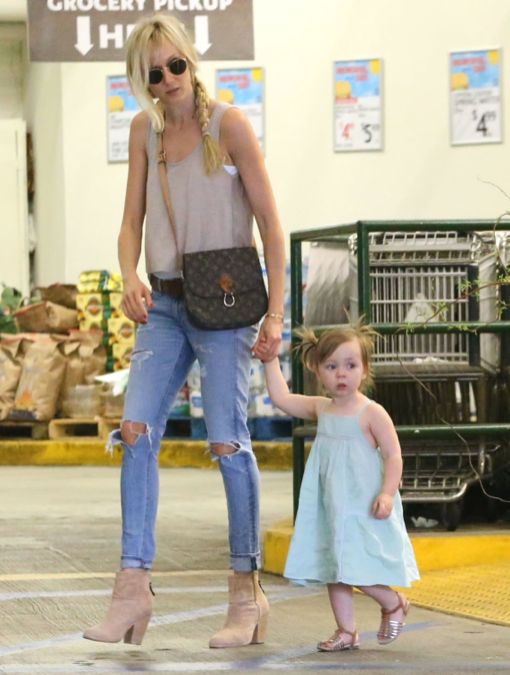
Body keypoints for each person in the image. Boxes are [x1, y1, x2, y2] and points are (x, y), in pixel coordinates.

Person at [83, 13, 285, 648]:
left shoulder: (229, 125)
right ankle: (131, 590)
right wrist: (127, 274)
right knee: (134, 430)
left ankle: (246, 593)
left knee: (227, 442)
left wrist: (276, 314)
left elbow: (271, 227)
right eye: (153, 73)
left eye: (175, 65)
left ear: (191, 61)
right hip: (165, 305)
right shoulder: (145, 133)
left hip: (223, 308)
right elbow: (130, 222)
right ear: (140, 81)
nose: (167, 79)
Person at [263, 324, 420, 652]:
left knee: (356, 565)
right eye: (331, 366)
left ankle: (392, 602)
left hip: (364, 504)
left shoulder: (372, 413)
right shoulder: (322, 408)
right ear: (318, 370)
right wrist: (270, 361)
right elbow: (282, 398)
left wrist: (387, 493)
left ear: (365, 369)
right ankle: (346, 631)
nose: (341, 374)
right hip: (332, 504)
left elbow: (393, 456)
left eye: (350, 365)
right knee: (335, 567)